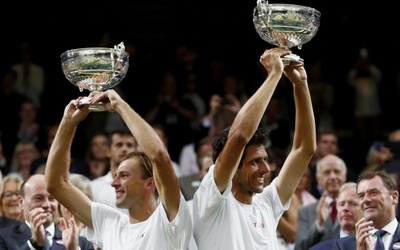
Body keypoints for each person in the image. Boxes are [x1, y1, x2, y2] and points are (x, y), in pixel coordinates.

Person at [192, 47, 316, 250]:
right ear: (233, 168)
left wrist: (300, 84)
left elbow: (304, 149)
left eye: (264, 159)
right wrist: (274, 75)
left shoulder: (266, 203)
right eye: (254, 162)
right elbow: (240, 136)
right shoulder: (211, 200)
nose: (266, 169)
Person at [45, 89, 192, 249]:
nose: (114, 183)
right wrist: (68, 122)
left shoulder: (169, 219)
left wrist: (119, 105)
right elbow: (55, 184)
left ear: (150, 183)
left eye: (124, 176)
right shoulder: (109, 223)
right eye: (115, 176)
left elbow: (159, 155)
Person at [0, 174, 94, 249]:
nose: (47, 205)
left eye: (52, 199)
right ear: (21, 202)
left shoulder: (82, 244)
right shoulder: (3, 237)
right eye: (38, 198)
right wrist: (34, 244)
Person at [333, 171, 400, 249]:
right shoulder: (342, 246)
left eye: (373, 193)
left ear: (394, 197)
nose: (366, 200)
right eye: (361, 196)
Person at [294, 154, 347, 250]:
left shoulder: (358, 206)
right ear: (318, 179)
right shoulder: (305, 212)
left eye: (337, 171)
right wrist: (319, 224)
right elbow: (299, 248)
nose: (333, 176)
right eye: (327, 172)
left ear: (345, 175)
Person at [90, 129, 138, 214]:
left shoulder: (144, 187)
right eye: (119, 145)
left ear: (136, 152)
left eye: (129, 145)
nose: (124, 149)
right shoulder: (93, 187)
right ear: (108, 151)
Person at [309, 182, 363, 250]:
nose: (345, 208)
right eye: (341, 204)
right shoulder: (319, 249)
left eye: (353, 204)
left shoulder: (377, 242)